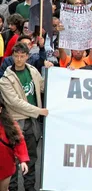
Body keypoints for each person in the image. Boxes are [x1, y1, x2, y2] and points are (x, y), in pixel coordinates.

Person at [0, 43, 49, 191]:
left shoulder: (33, 71)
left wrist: (56, 72)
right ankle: (12, 188)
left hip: (31, 122)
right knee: (13, 159)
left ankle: (30, 188)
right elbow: (15, 103)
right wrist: (38, 111)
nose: (19, 59)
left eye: (22, 56)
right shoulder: (5, 80)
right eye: (16, 56)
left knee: (32, 158)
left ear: (27, 56)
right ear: (12, 56)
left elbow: (42, 87)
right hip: (15, 121)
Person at [0, 92, 29, 191]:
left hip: (5, 166)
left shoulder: (10, 124)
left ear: (0, 109)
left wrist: (23, 160)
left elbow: (19, 142)